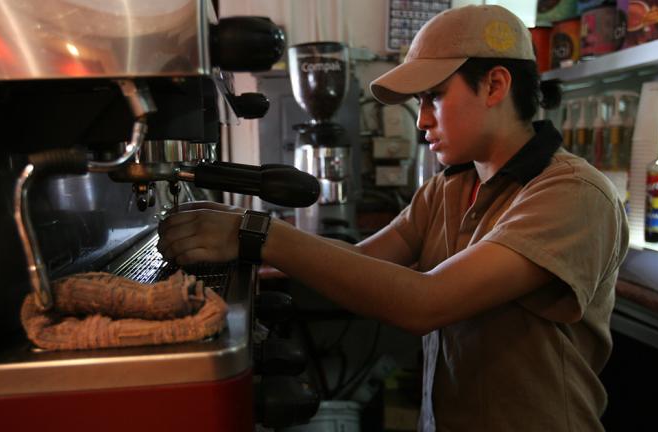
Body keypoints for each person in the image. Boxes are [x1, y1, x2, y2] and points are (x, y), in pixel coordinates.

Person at [158, 5, 629, 431]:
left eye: (434, 98)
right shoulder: (449, 188)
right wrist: (243, 257)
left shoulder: (571, 194)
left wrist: (256, 232)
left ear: (495, 85)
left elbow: (426, 303)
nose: (422, 120)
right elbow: (359, 260)